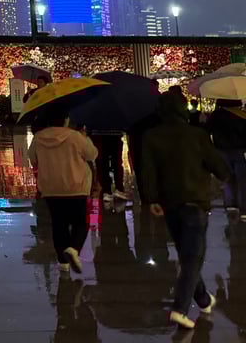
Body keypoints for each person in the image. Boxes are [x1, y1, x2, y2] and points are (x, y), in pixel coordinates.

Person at [141, 89, 229, 330]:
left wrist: (152, 199)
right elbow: (220, 167)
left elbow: (146, 171)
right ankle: (179, 309)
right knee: (192, 257)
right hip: (195, 202)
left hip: (170, 205)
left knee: (187, 254)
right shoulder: (197, 135)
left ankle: (202, 298)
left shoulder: (151, 136)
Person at [28, 106, 98, 274]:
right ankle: (74, 249)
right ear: (66, 119)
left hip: (51, 188)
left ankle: (63, 262)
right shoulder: (75, 137)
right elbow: (92, 154)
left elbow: (33, 159)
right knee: (81, 223)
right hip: (76, 186)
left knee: (59, 225)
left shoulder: (38, 138)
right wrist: (85, 138)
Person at [206, 98, 246, 218]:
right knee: (242, 179)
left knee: (227, 178)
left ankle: (230, 204)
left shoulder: (216, 115)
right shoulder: (242, 115)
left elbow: (207, 130)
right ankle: (243, 205)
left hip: (221, 149)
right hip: (240, 149)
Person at [90, 129, 127, 202]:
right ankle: (118, 189)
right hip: (115, 132)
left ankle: (106, 190)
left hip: (99, 133)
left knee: (102, 162)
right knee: (116, 161)